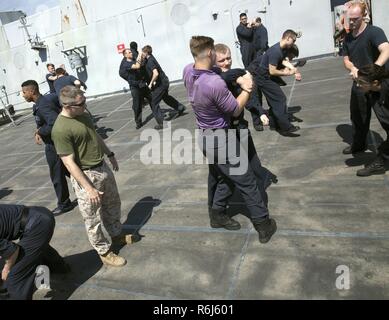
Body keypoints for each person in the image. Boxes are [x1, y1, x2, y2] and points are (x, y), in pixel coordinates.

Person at [183, 36, 277, 243]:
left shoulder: (189, 71)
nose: (219, 58)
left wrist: (238, 75)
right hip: (222, 140)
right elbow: (235, 110)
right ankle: (263, 225)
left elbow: (221, 72)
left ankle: (217, 215)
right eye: (216, 54)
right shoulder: (214, 83)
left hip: (204, 137)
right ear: (210, 53)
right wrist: (247, 88)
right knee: (247, 182)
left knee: (225, 177)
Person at [51, 86, 141, 267]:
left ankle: (116, 235)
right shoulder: (60, 129)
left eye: (85, 100)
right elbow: (68, 163)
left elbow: (95, 136)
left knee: (112, 203)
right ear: (67, 106)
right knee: (92, 218)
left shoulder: (83, 115)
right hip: (86, 176)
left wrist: (110, 154)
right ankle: (104, 251)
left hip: (102, 167)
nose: (85, 104)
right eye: (81, 103)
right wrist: (89, 188)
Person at [21, 80, 76, 216]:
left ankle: (64, 204)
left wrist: (40, 131)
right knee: (69, 170)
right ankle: (87, 188)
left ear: (32, 91)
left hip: (55, 145)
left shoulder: (43, 105)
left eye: (24, 92)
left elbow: (54, 124)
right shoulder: (39, 104)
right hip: (54, 144)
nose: (23, 95)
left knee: (57, 175)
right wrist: (39, 129)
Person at [342, 2, 389, 155]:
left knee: (385, 118)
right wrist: (353, 68)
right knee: (357, 117)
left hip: (376, 83)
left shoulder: (374, 32)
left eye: (355, 19)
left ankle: (385, 154)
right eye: (349, 19)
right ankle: (358, 144)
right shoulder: (348, 38)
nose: (351, 22)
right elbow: (346, 60)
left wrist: (373, 70)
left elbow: (386, 50)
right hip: (359, 84)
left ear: (363, 16)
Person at [0, 204, 70, 300]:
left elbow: (13, 251)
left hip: (38, 223)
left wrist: (6, 269)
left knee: (15, 275)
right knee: (34, 247)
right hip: (38, 215)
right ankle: (59, 267)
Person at [255, 29, 302, 136]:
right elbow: (272, 71)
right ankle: (286, 127)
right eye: (293, 40)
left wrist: (294, 70)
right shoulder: (275, 51)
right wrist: (287, 73)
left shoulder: (282, 48)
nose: (294, 43)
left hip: (266, 78)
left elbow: (283, 61)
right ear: (288, 38)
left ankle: (273, 124)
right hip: (263, 79)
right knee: (280, 99)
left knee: (273, 101)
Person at [215, 43, 268, 131]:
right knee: (234, 145)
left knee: (248, 144)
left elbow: (249, 100)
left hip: (240, 124)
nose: (227, 63)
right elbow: (224, 76)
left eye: (229, 58)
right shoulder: (213, 78)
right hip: (224, 128)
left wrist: (260, 112)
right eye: (222, 61)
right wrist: (243, 73)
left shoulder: (234, 77)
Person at [354, 64, 389, 176]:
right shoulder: (374, 92)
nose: (358, 85)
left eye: (362, 82)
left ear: (374, 82)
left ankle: (380, 163)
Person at [141, 45, 186, 130]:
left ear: (146, 52)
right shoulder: (150, 58)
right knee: (166, 97)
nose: (141, 54)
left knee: (154, 102)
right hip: (163, 82)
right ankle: (180, 108)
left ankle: (161, 123)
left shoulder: (150, 61)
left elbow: (156, 73)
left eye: (142, 52)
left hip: (161, 84)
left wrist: (150, 84)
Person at [119, 48, 154, 129]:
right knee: (137, 105)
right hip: (135, 87)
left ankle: (157, 114)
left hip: (141, 84)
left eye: (131, 52)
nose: (131, 53)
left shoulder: (134, 59)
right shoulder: (125, 64)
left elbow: (141, 64)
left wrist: (141, 57)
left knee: (152, 99)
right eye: (129, 52)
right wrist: (139, 55)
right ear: (125, 55)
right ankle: (138, 122)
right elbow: (137, 66)